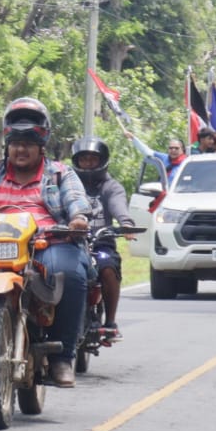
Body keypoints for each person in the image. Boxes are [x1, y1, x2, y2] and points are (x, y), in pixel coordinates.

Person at [0, 98, 90, 388]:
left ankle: (62, 357)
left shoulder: (60, 173)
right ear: (7, 145)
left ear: (41, 146)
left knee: (71, 275)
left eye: (28, 144)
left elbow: (75, 201)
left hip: (48, 242)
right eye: (16, 143)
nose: (21, 150)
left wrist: (78, 219)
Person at [69, 136, 135, 341]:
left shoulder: (110, 186)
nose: (88, 163)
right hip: (71, 243)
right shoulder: (68, 184)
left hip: (100, 243)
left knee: (107, 268)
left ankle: (110, 322)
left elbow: (118, 205)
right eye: (83, 159)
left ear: (102, 161)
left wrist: (125, 223)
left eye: (93, 159)